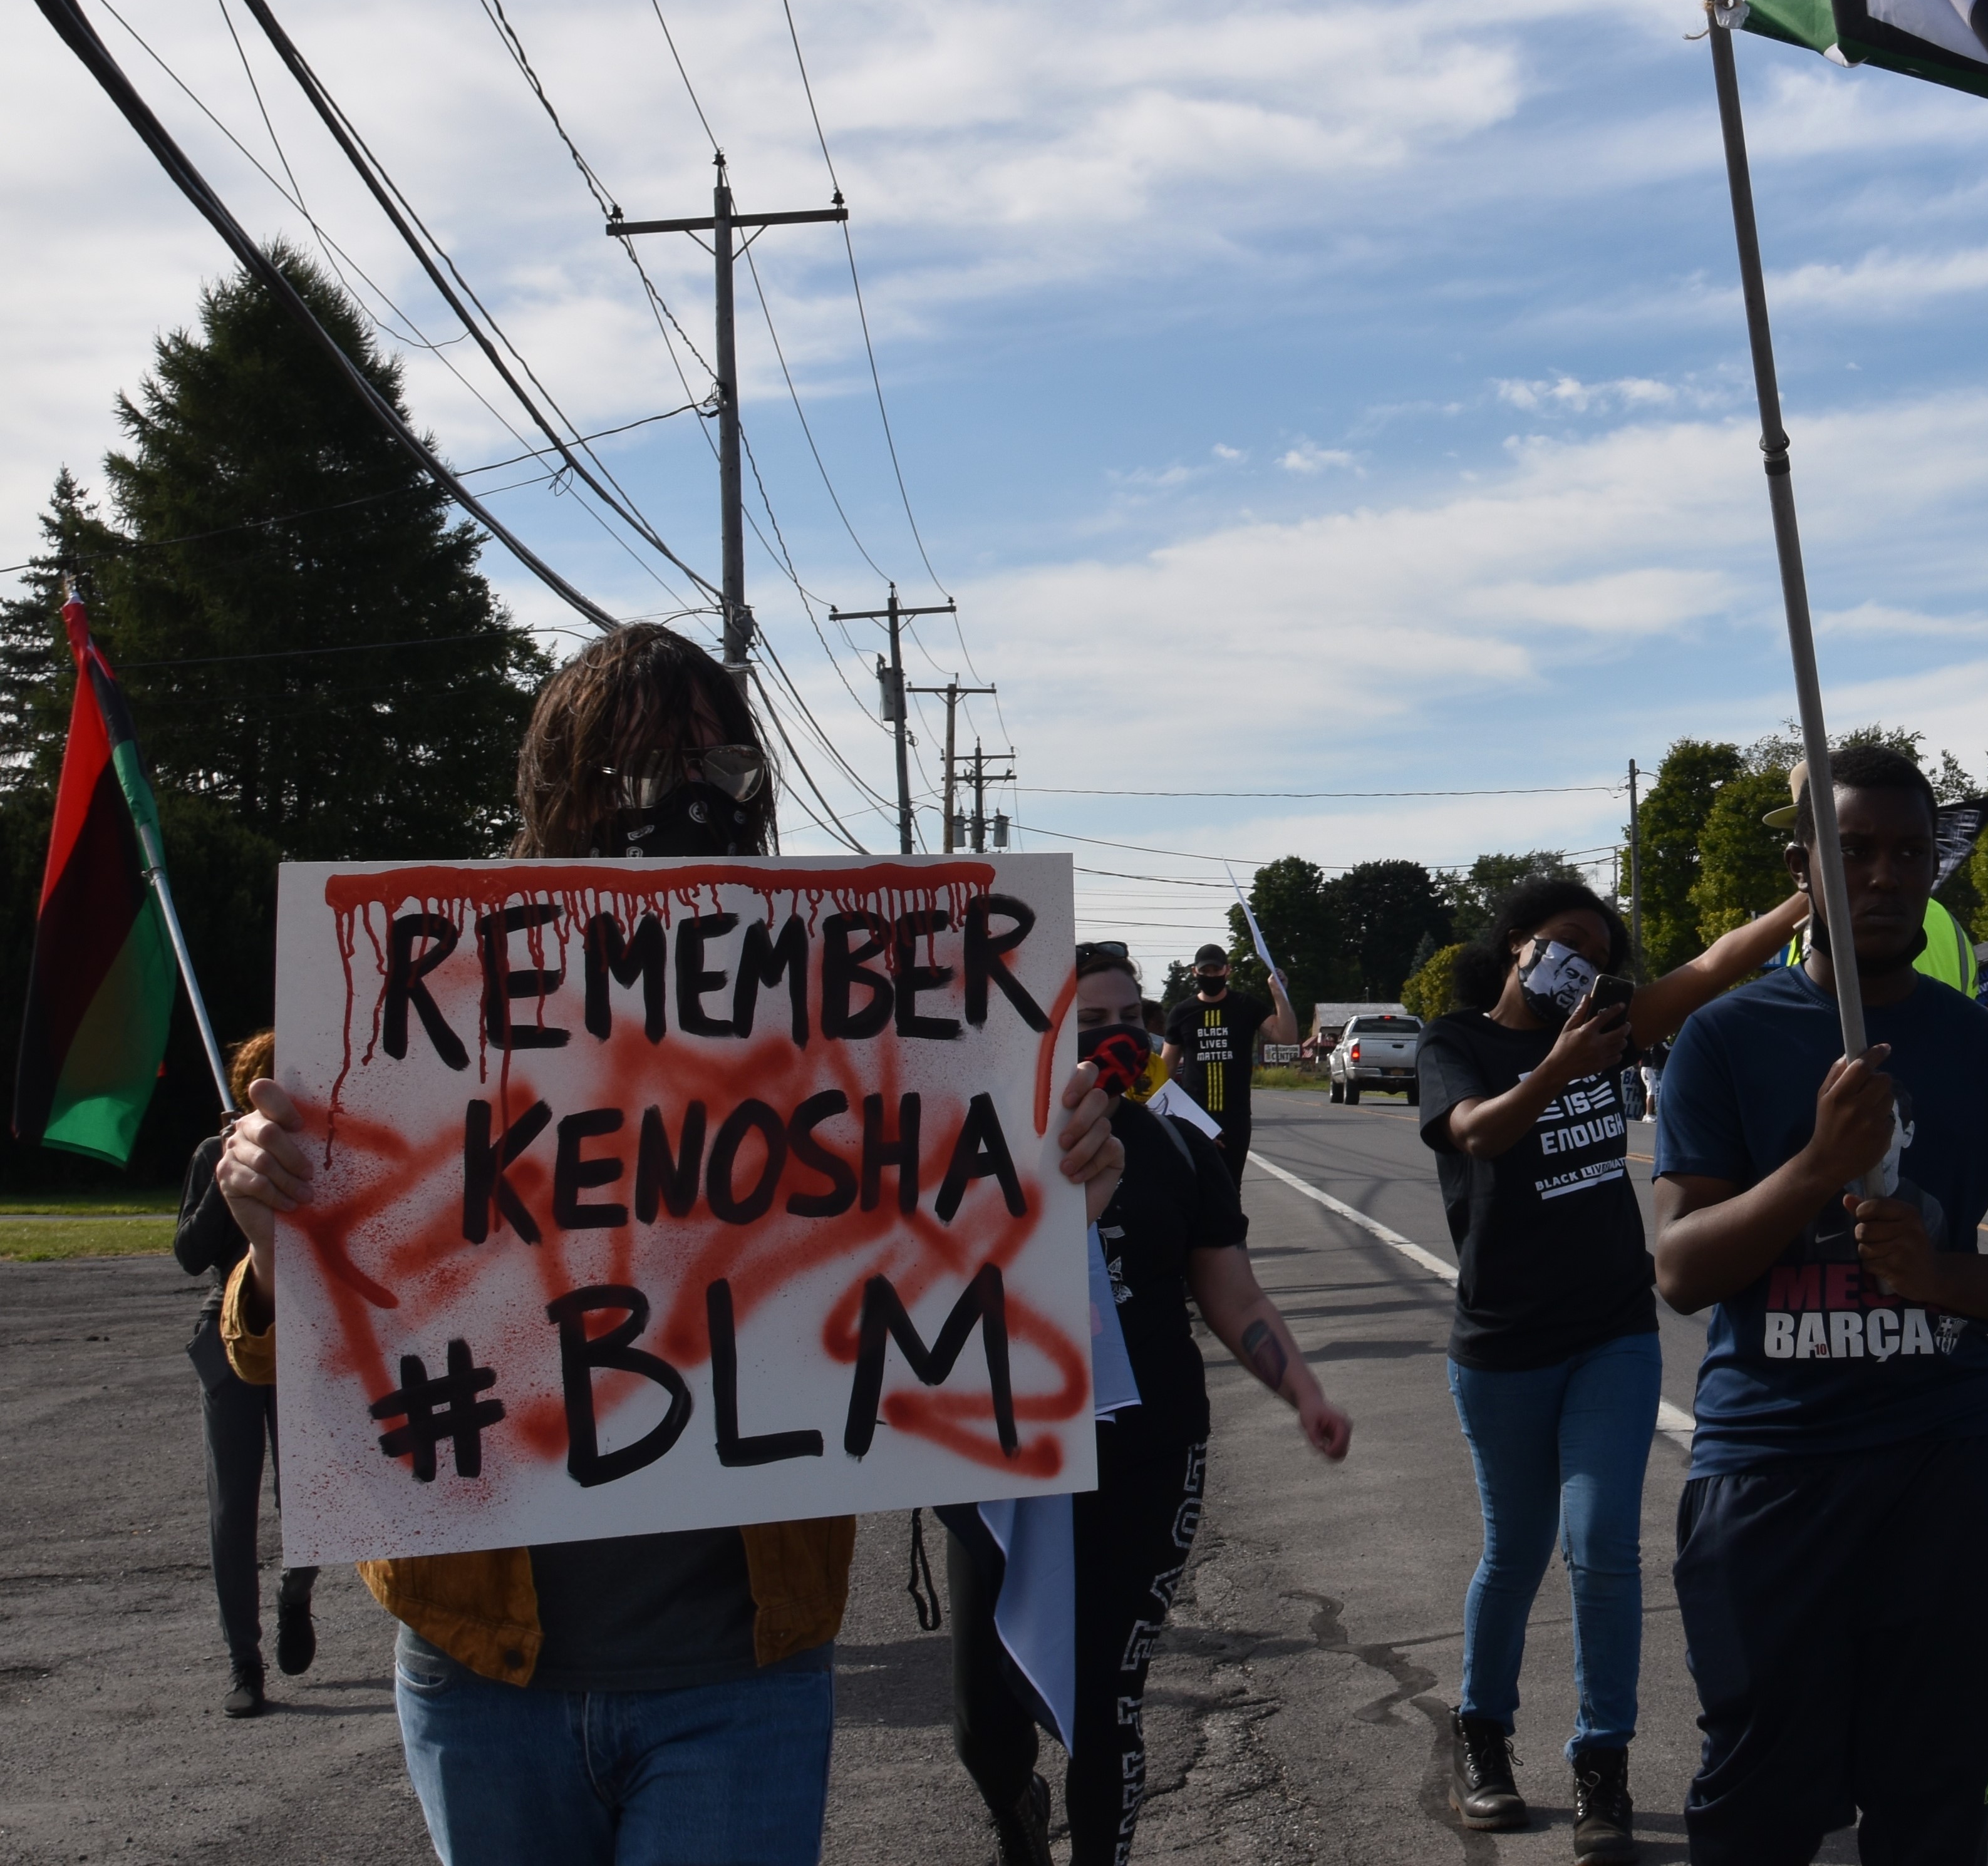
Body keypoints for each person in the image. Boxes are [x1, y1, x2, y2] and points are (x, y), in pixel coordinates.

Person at [214, 622, 1130, 1866]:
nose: (692, 801)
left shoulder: (844, 1017)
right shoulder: (415, 1014)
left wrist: (1049, 1194)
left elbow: (948, 1286)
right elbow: (293, 1355)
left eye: (725, 769)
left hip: (741, 1678)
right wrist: (274, 1237)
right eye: (645, 769)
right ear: (562, 787)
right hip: (483, 1665)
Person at [1650, 743, 1988, 1864]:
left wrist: (1941, 1277)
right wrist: (1815, 1167)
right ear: (1804, 866)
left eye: (1908, 852)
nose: (1885, 877)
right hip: (1770, 1468)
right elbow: (1681, 1270)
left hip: (1949, 1470)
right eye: (1853, 852)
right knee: (1756, 1809)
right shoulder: (1725, 1038)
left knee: (1933, 1809)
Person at [1420, 876, 1801, 1854]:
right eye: (1564, 944)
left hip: (1611, 1333)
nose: (1580, 967)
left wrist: (1809, 903)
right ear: (1516, 942)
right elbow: (1478, 1133)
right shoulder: (1457, 1043)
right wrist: (1558, 1068)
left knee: (1602, 1549)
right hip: (1503, 1345)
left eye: (1598, 958)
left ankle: (1603, 1765)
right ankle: (1483, 1737)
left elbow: (1712, 967)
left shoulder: (1609, 1028)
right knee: (1516, 1551)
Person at [956, 947, 1352, 1866]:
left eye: (1130, 1019)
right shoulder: (976, 1143)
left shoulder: (1177, 1147)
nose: (1116, 1040)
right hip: (1002, 1455)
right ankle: (1016, 1814)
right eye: (1088, 1024)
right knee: (985, 1717)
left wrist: (1303, 1391)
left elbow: (1234, 1296)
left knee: (1108, 1700)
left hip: (1146, 1452)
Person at [176, 1027, 315, 1717]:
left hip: (304, 1336)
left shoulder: (314, 1155)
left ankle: (297, 1592)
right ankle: (244, 1661)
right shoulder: (214, 1152)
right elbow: (189, 1252)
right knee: (233, 1507)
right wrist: (225, 1177)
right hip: (226, 1339)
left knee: (308, 1498)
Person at [1164, 942, 1303, 1179]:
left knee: (1230, 1187)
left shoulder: (1246, 1006)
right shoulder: (1181, 1013)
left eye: (1216, 970)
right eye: (1205, 971)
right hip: (1194, 1116)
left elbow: (1288, 1037)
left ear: (1227, 970)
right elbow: (1165, 1070)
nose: (1211, 976)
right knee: (1196, 1186)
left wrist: (1279, 993)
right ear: (1195, 972)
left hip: (1235, 1118)